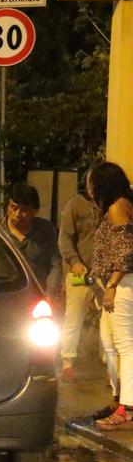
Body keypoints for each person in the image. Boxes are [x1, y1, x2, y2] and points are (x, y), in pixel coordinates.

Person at [88, 162, 133, 429]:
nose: (89, 187)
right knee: (109, 342)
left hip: (124, 283)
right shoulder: (118, 205)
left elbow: (126, 249)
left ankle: (127, 407)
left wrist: (114, 284)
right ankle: (119, 398)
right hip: (117, 284)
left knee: (125, 345)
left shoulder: (118, 206)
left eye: (92, 182)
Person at [57, 170, 101, 383]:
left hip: (106, 276)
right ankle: (68, 362)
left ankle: (109, 363)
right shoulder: (75, 205)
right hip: (80, 272)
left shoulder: (113, 205)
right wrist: (74, 261)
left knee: (110, 322)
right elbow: (64, 238)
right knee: (73, 319)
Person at [5, 184, 62, 297]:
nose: (17, 214)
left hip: (38, 298)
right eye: (14, 208)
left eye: (24, 210)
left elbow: (55, 265)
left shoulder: (46, 230)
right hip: (6, 297)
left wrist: (49, 295)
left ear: (35, 211)